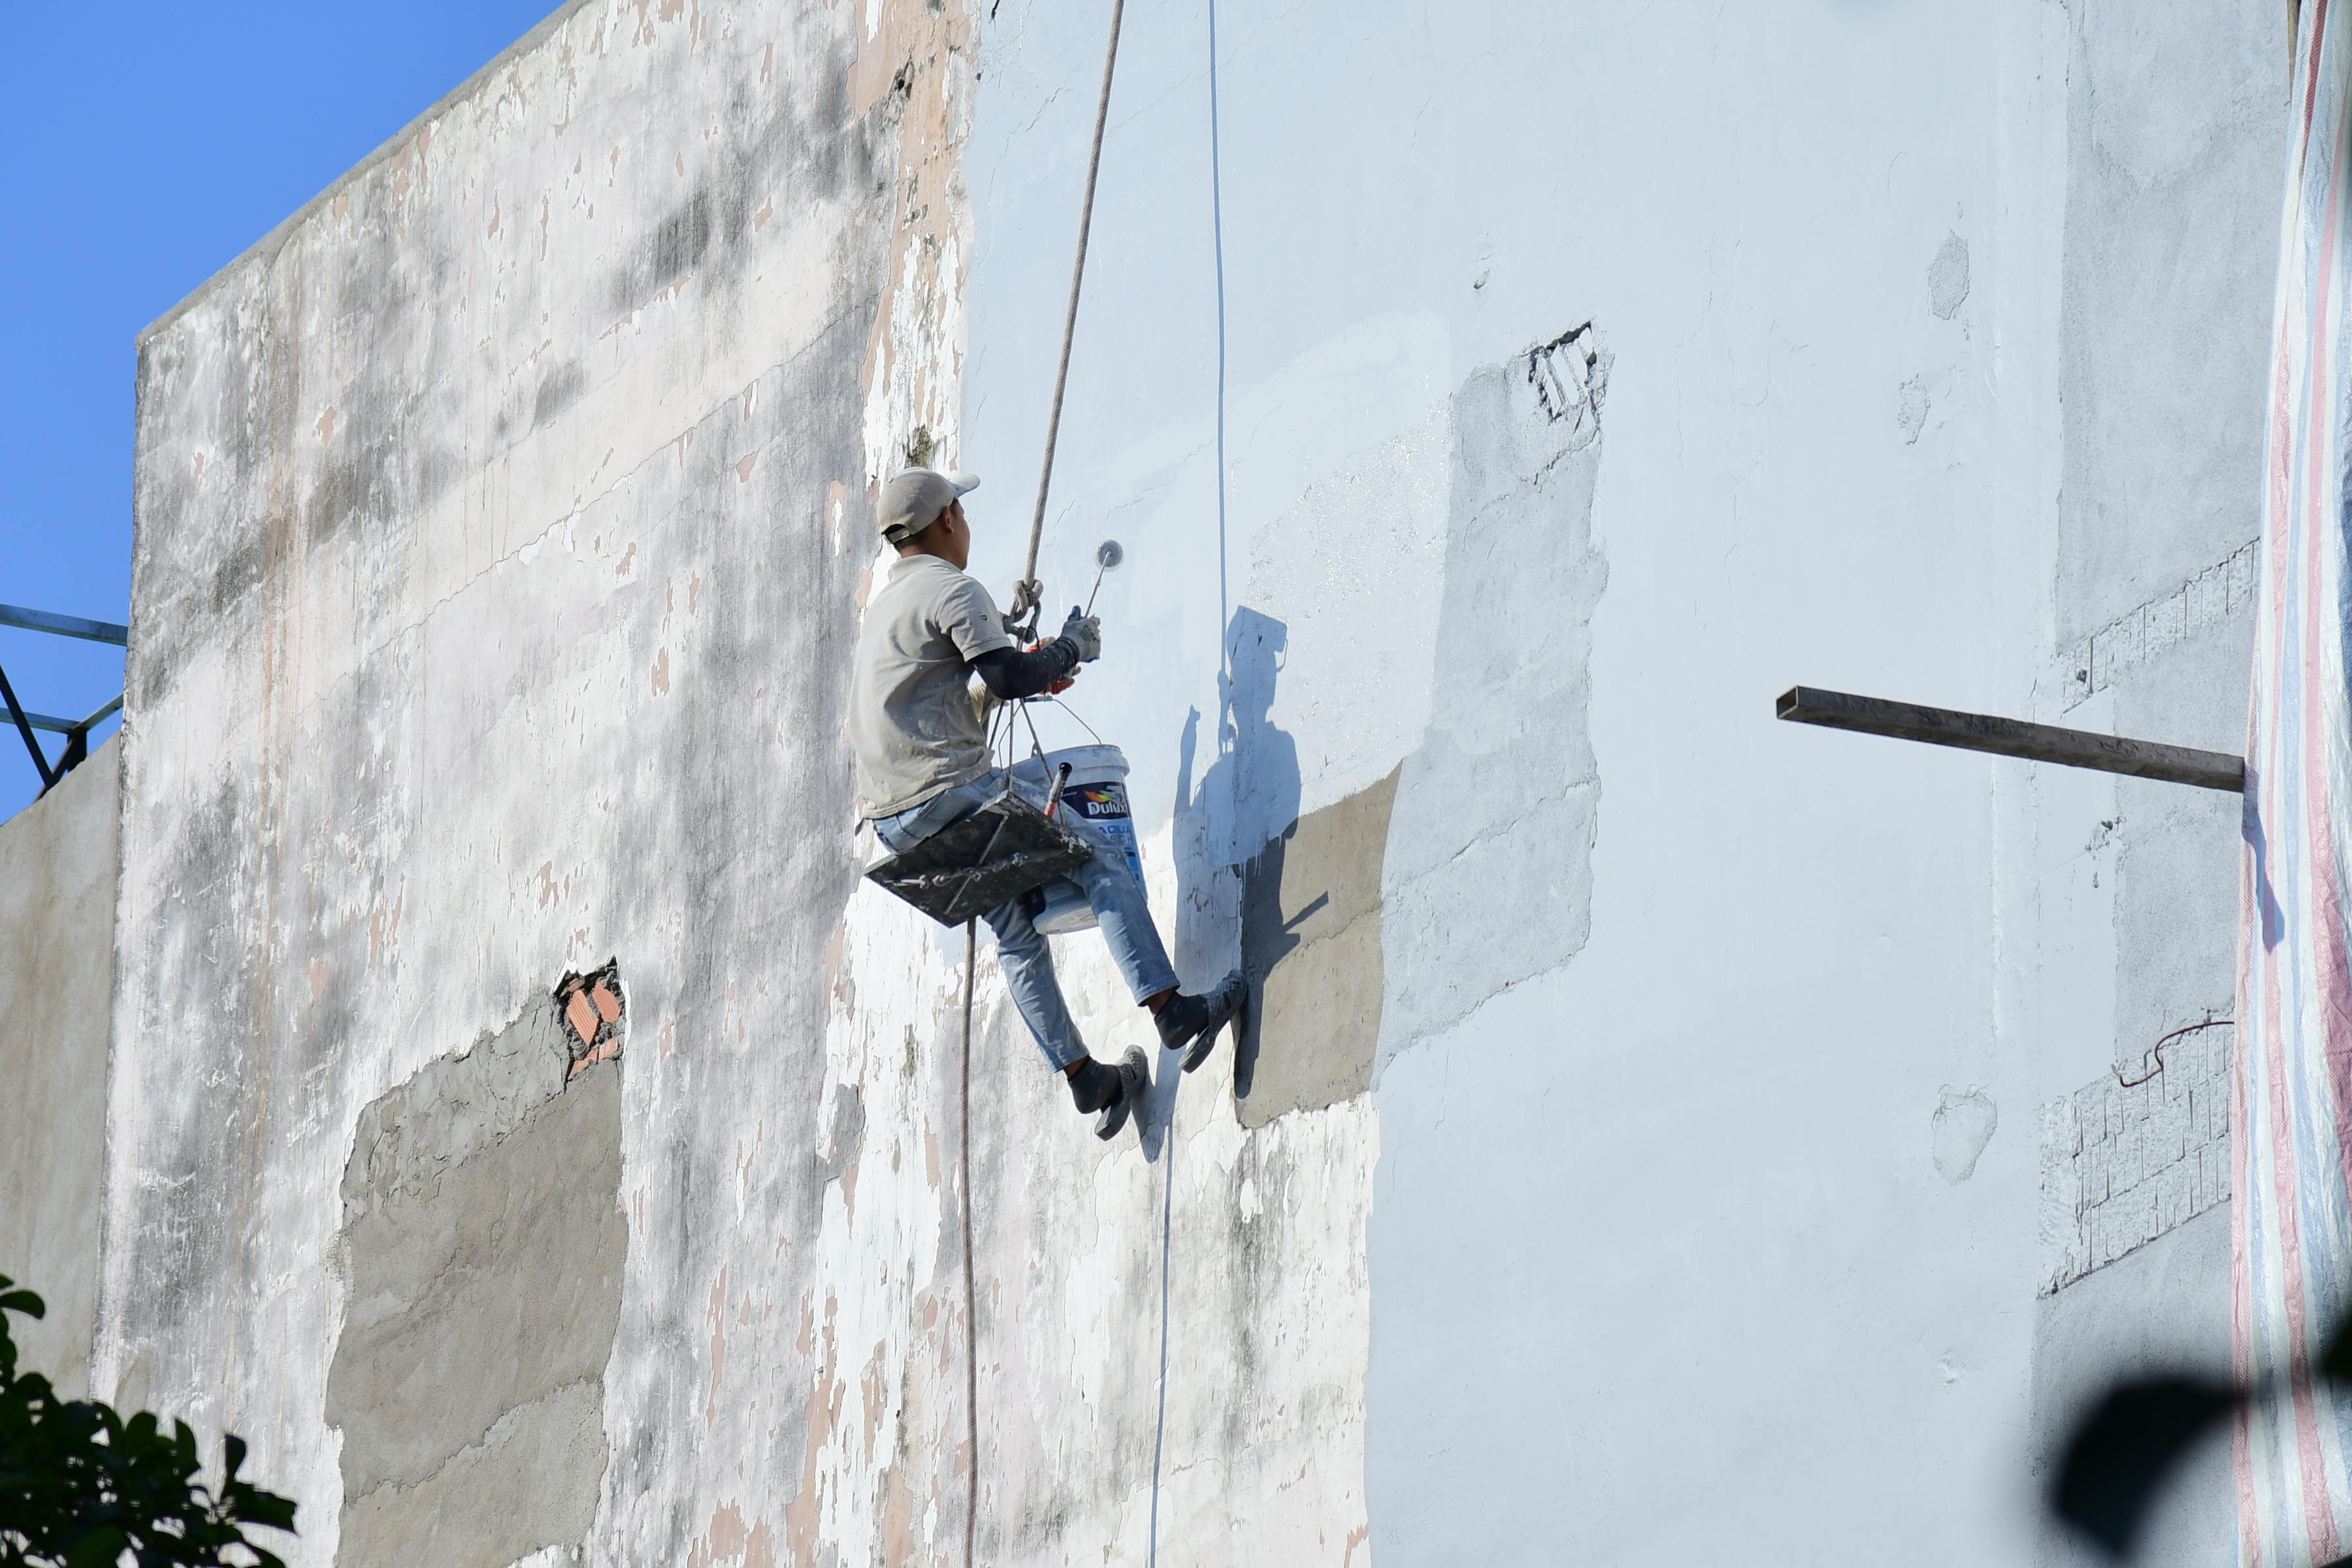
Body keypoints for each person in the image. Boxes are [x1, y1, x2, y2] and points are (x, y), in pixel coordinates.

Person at [849, 466, 1246, 1139]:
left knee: (1013, 932)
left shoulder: (884, 609)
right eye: (962, 512)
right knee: (1096, 861)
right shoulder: (951, 587)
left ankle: (1090, 1081)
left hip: (896, 824)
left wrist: (1032, 669)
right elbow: (1005, 674)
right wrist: (1070, 647)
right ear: (946, 520)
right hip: (946, 794)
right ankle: (1172, 1010)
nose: (966, 524)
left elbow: (942, 699)